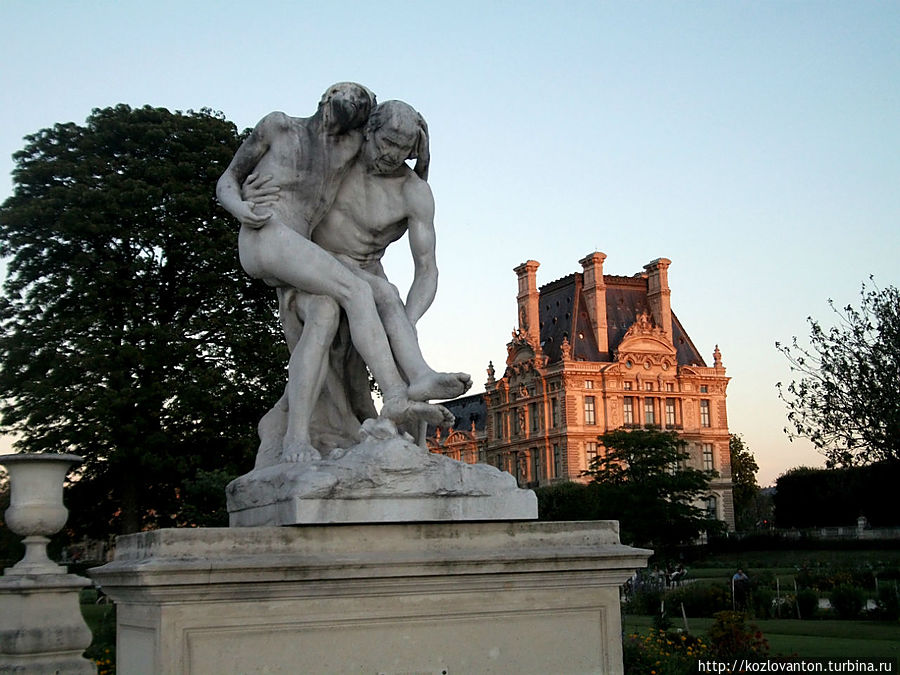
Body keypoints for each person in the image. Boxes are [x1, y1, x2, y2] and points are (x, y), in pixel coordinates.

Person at [218, 84, 463, 464]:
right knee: (361, 301)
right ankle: (369, 409)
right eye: (386, 143)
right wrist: (248, 195)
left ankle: (417, 444)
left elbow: (427, 269)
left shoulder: (412, 191)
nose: (391, 156)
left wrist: (408, 323)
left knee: (391, 307)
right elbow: (284, 179)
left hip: (354, 272)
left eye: (403, 150)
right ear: (368, 130)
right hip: (309, 265)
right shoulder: (337, 151)